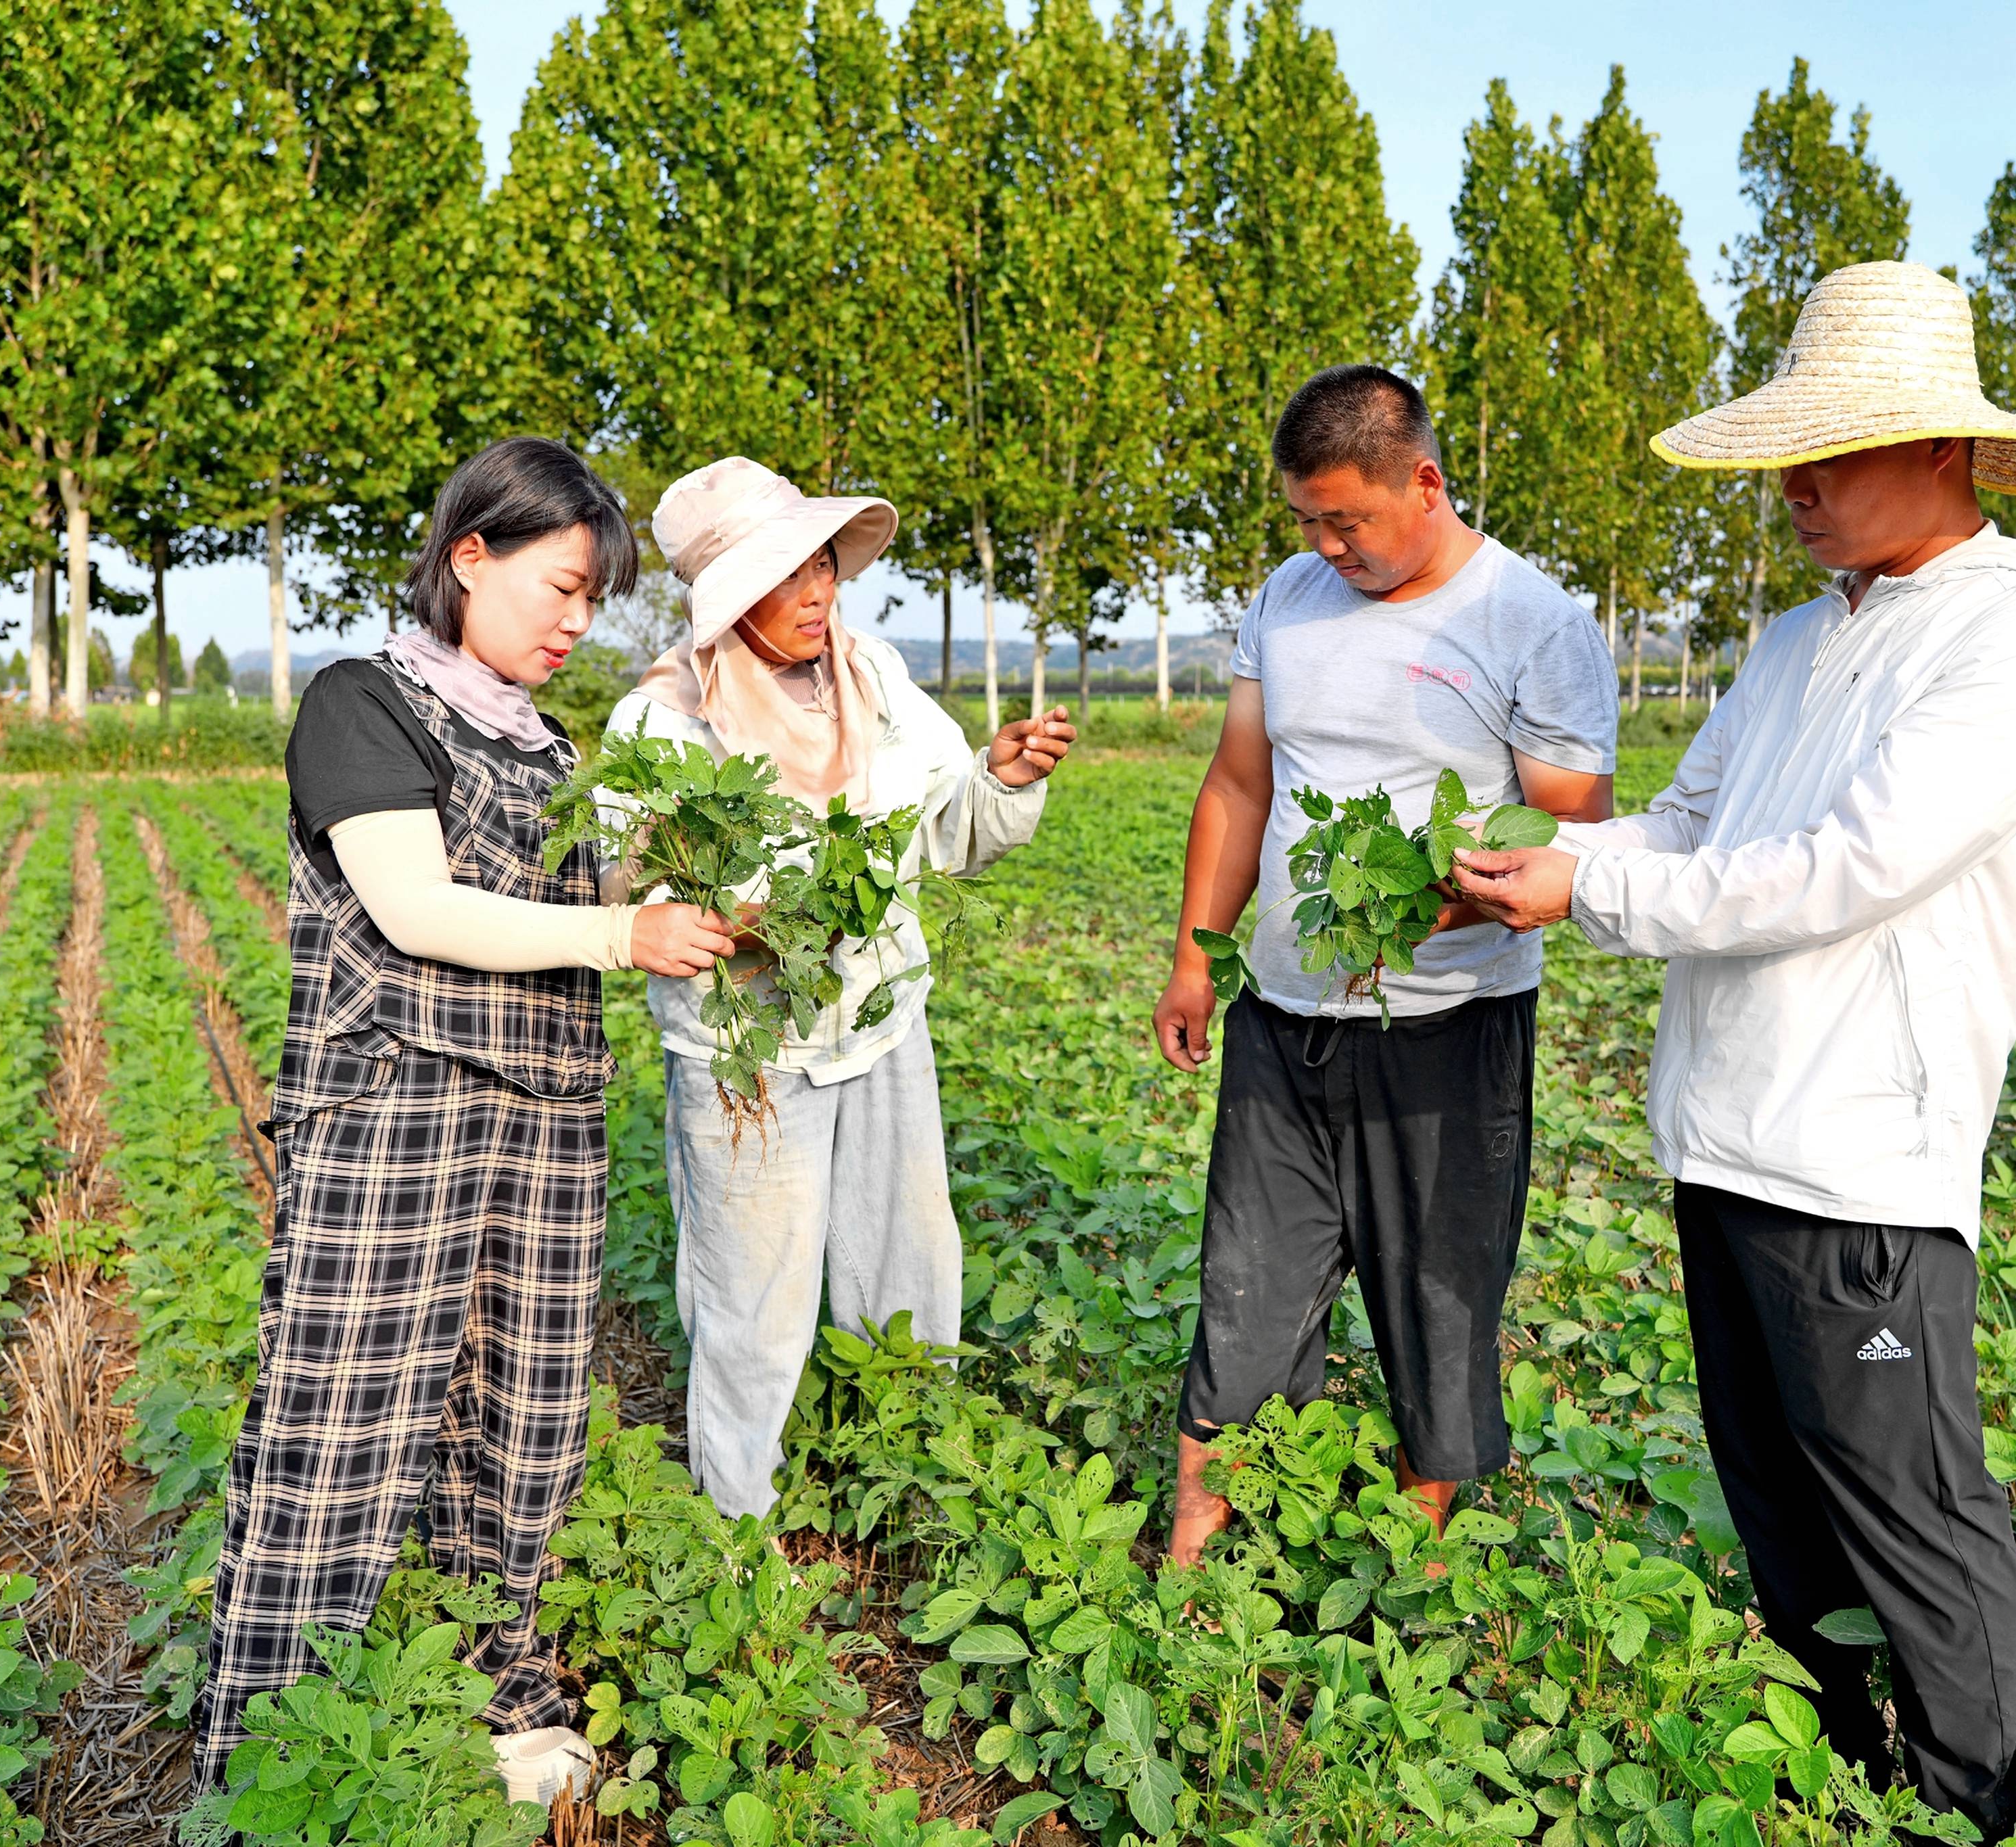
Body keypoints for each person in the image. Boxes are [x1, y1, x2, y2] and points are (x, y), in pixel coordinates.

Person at [1452, 260, 2016, 1840]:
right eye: (1784, 459)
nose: (1795, 490)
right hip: (1724, 1131)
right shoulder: (1800, 637)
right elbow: (1690, 819)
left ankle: (1970, 1803)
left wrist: (1588, 884)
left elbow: (1841, 868)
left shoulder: (2010, 644)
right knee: (1778, 1496)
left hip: (1861, 1159)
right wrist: (1528, 853)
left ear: (1942, 451)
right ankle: (1843, 1772)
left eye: (1830, 453)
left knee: (1908, 1507)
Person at [201, 437, 737, 1809]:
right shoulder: (361, 703)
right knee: (346, 1414)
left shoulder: (548, 741)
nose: (576, 622)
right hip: (398, 1107)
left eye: (594, 600)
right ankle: (275, 1732)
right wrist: (626, 930)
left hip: (540, 1115)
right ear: (470, 557)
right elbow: (416, 909)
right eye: (560, 588)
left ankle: (500, 1681)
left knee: (526, 1413)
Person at [1154, 365, 1617, 1567]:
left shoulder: (1535, 625)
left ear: (1425, 481)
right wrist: (1199, 958)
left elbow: (1571, 841)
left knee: (1439, 1296)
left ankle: (1408, 1569)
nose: (1323, 545)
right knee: (1245, 1286)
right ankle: (1195, 1550)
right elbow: (1241, 784)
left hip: (1448, 1034)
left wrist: (1441, 913)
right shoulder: (1289, 600)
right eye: (1305, 519)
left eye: (1344, 520)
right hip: (1283, 1020)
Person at [604, 458, 1075, 1523]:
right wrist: (758, 916)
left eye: (823, 563)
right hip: (751, 1056)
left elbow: (951, 827)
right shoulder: (664, 725)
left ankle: (909, 1471)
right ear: (730, 600)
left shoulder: (878, 679)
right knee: (753, 1298)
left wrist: (1002, 778)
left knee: (905, 1257)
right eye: (789, 575)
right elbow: (641, 891)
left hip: (882, 1024)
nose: (820, 591)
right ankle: (739, 1519)